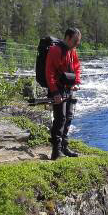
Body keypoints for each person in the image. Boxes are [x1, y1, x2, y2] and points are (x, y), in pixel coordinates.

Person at [45, 27, 82, 160]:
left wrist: (76, 82)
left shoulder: (72, 51)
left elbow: (77, 67)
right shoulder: (55, 50)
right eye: (75, 41)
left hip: (70, 88)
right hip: (58, 89)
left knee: (69, 117)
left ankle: (65, 147)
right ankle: (56, 151)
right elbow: (49, 73)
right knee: (60, 118)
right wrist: (55, 92)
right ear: (67, 38)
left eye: (78, 41)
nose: (77, 43)